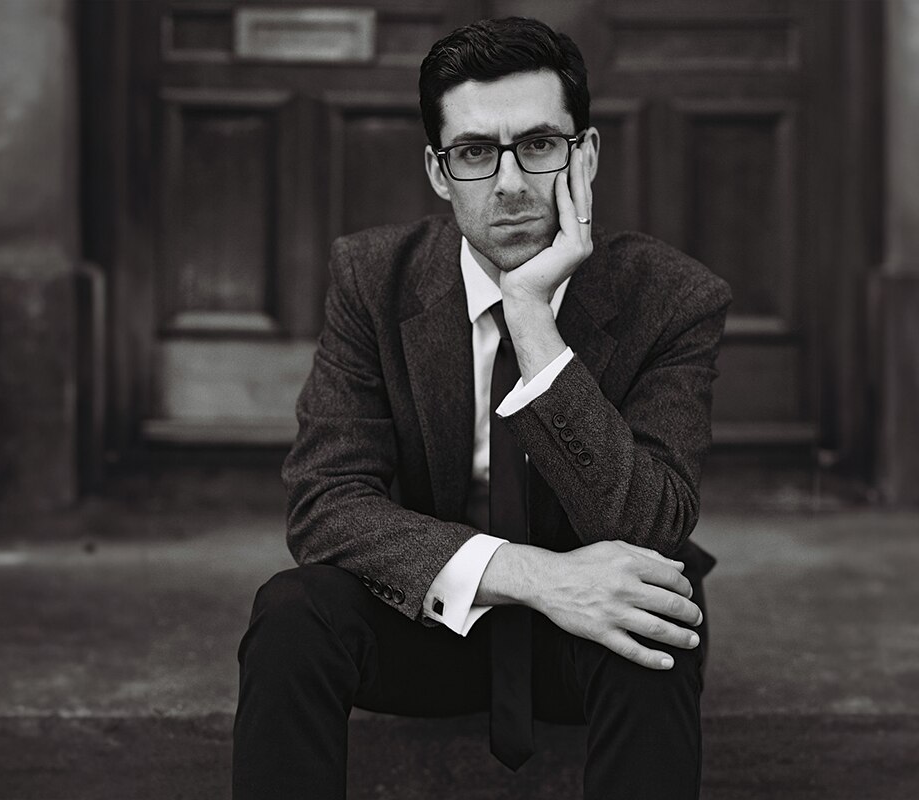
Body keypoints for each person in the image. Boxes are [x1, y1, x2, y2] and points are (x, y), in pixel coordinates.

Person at [233, 16, 731, 800]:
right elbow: (327, 505)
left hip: (589, 637)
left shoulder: (670, 298)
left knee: (658, 613)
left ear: (585, 155)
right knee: (292, 613)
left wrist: (533, 322)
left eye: (539, 145)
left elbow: (653, 521)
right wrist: (531, 576)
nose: (509, 184)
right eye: (475, 153)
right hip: (431, 619)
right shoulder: (373, 277)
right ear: (439, 172)